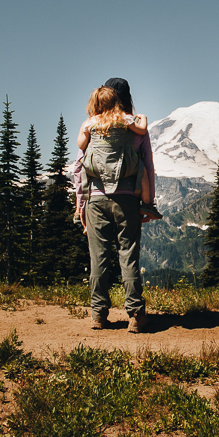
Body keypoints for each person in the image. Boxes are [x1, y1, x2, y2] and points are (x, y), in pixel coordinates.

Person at [76, 78, 158, 333]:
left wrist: (81, 205)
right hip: (128, 198)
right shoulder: (132, 126)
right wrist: (147, 203)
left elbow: (80, 167)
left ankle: (98, 314)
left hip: (96, 200)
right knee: (128, 256)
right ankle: (135, 315)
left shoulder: (92, 126)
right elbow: (148, 166)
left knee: (98, 258)